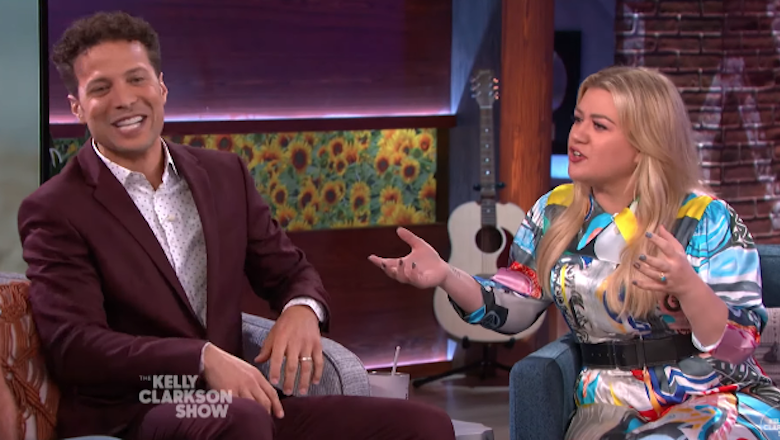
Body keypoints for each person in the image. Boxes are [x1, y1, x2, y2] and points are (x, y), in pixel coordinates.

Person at [19, 11, 455, 440]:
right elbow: (76, 346)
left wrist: (302, 308)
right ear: (77, 107)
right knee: (238, 418)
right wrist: (200, 358)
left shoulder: (224, 175)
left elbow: (289, 271)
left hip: (240, 404)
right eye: (101, 88)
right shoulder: (56, 209)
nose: (124, 99)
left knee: (424, 426)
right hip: (138, 409)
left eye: (137, 79)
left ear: (161, 87)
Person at [370, 66, 780, 439]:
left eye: (599, 126)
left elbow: (738, 344)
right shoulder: (554, 212)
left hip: (711, 396)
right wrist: (446, 275)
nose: (577, 135)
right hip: (608, 405)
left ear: (643, 144)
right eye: (578, 119)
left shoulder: (705, 217)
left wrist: (689, 287)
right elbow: (513, 305)